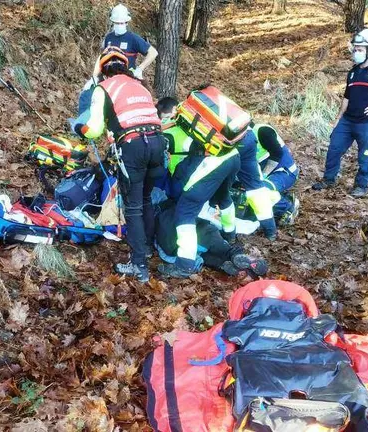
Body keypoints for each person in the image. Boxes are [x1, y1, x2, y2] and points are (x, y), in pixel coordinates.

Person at [73, 46, 164, 283]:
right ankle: (148, 248)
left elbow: (93, 129)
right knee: (146, 200)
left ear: (104, 71)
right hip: (157, 143)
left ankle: (139, 265)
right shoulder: (139, 86)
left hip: (133, 147)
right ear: (125, 65)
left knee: (132, 206)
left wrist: (79, 128)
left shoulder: (103, 89)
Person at [154, 97, 242, 278]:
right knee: (223, 198)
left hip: (211, 163)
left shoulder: (172, 129)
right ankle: (231, 239)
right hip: (232, 155)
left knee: (185, 212)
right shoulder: (208, 120)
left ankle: (184, 265)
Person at [312, 29, 368, 198]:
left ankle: (361, 186)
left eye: (361, 49)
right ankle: (328, 180)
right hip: (347, 121)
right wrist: (339, 118)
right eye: (355, 49)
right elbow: (347, 96)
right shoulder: (353, 72)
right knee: (334, 149)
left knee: (365, 156)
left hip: (367, 124)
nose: (357, 52)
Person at [154, 198, 268, 278]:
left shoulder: (156, 212)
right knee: (205, 238)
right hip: (179, 237)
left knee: (201, 248)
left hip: (171, 247)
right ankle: (230, 256)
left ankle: (224, 262)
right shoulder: (173, 207)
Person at [78, 4, 158, 115]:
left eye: (122, 23)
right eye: (117, 23)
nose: (119, 25)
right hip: (109, 79)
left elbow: (153, 53)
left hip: (128, 79)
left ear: (126, 22)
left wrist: (140, 68)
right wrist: (94, 77)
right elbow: (102, 57)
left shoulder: (133, 38)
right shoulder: (109, 38)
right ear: (113, 22)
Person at [252, 123, 300, 224]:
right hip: (268, 174)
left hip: (285, 172)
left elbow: (277, 153)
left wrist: (263, 177)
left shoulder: (262, 131)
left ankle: (287, 207)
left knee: (259, 191)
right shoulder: (240, 139)